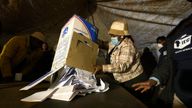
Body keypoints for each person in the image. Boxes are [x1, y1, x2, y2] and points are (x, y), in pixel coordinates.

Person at [132, 13, 192, 108]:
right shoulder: (181, 29)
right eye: (158, 42)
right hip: (179, 99)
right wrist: (154, 79)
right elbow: (168, 62)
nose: (160, 44)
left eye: (161, 42)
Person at [94, 20, 153, 105]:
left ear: (122, 36)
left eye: (113, 35)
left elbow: (122, 66)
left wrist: (102, 68)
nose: (111, 37)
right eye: (111, 35)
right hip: (122, 79)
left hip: (133, 81)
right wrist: (95, 41)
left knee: (135, 103)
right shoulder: (116, 42)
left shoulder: (128, 46)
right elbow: (106, 44)